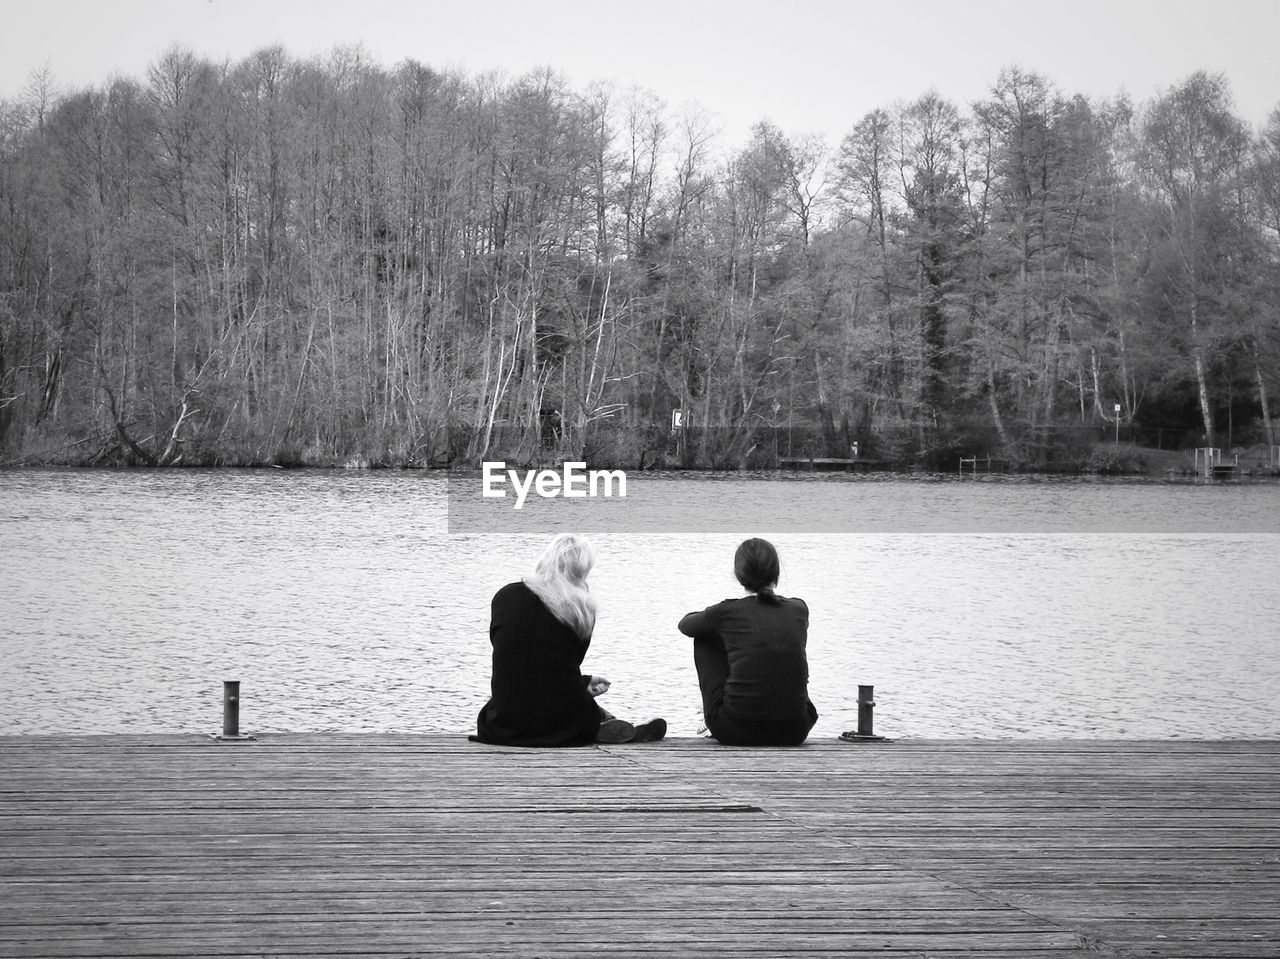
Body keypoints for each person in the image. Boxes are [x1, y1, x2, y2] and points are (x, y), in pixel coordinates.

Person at [474, 533, 666, 747]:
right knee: (582, 711)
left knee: (533, 698)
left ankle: (603, 722)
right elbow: (566, 660)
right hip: (560, 724)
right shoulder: (581, 607)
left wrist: (582, 683)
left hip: (503, 723)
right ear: (583, 570)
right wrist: (579, 685)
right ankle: (606, 723)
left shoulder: (505, 595)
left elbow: (520, 658)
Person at [677, 538, 818, 746]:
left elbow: (685, 625)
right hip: (795, 729)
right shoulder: (799, 609)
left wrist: (717, 623)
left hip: (734, 730)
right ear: (777, 573)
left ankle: (718, 709)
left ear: (738, 574)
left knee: (704, 636)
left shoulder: (726, 612)